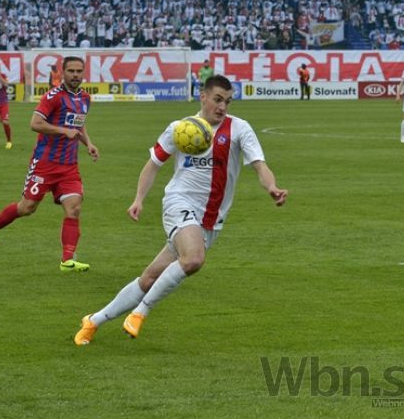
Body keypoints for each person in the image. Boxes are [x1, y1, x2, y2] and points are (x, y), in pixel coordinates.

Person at [73, 75, 287, 345]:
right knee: (194, 259)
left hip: (211, 221)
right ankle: (140, 313)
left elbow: (259, 165)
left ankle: (93, 321)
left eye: (228, 102)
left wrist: (272, 187)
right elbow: (153, 164)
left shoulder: (240, 129)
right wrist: (139, 199)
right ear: (203, 97)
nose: (222, 107)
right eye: (218, 100)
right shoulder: (179, 128)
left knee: (150, 278)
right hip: (178, 203)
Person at [0, 56, 100, 272]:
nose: (75, 75)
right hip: (45, 163)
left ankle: (67, 261)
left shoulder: (85, 98)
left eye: (79, 71)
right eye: (71, 71)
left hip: (69, 166)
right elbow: (35, 124)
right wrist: (63, 131)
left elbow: (78, 125)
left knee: (74, 208)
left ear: (83, 73)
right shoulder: (52, 97)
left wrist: (88, 143)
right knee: (27, 208)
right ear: (62, 73)